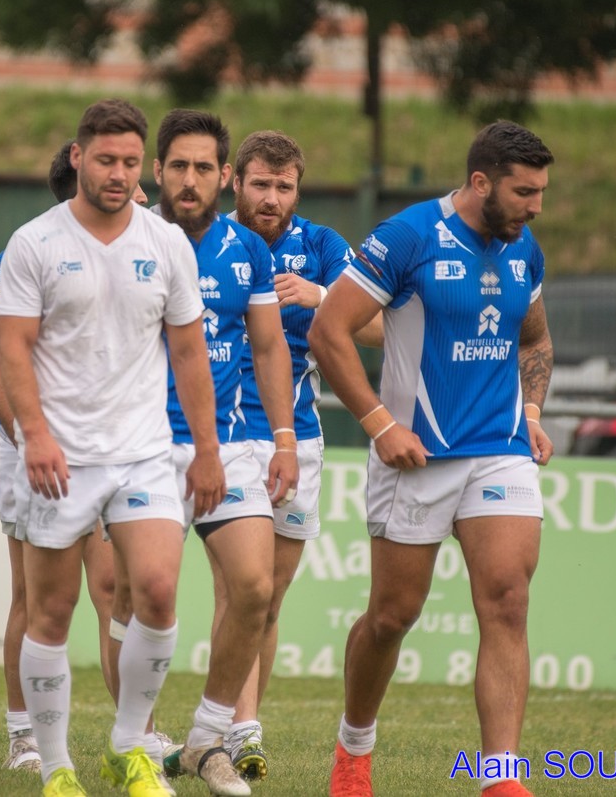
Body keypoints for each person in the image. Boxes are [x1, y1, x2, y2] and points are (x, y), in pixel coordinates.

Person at [309, 120, 555, 797]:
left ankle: (500, 776)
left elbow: (535, 341)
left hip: (501, 452)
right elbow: (329, 331)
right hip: (415, 456)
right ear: (481, 182)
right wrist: (379, 423)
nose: (536, 207)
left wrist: (532, 414)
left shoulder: (524, 246)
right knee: (392, 616)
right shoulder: (408, 236)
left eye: (541, 192)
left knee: (507, 601)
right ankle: (354, 747)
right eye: (524, 192)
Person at [0, 98, 224, 797]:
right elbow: (12, 347)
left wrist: (207, 450)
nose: (119, 174)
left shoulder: (166, 242)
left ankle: (130, 746)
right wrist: (35, 434)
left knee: (156, 592)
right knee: (52, 611)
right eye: (105, 160)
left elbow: (189, 352)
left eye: (130, 162)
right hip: (60, 456)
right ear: (78, 157)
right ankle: (56, 765)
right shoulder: (34, 241)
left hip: (143, 451)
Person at [138, 110, 295, 797]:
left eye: (204, 167)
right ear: (158, 171)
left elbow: (269, 345)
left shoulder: (248, 249)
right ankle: (138, 743)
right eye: (178, 165)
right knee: (140, 598)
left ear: (224, 175)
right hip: (141, 448)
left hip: (226, 447)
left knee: (256, 587)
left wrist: (283, 438)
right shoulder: (131, 240)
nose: (190, 179)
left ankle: (207, 738)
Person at [222, 130, 381, 781]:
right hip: (226, 436)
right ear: (236, 182)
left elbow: (380, 327)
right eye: (260, 184)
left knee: (268, 600)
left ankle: (238, 721)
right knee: (243, 587)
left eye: (283, 186)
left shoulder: (321, 247)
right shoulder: (210, 241)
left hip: (298, 440)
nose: (271, 197)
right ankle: (239, 730)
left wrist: (323, 298)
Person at [0, 139, 140, 776]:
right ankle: (24, 734)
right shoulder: (26, 252)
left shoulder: (144, 252)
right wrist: (31, 439)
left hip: (109, 450)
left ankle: (133, 738)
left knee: (112, 589)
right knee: (35, 596)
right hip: (37, 447)